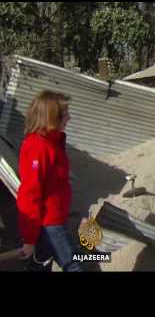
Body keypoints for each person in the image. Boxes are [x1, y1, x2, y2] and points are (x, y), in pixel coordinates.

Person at [16, 90, 83, 272]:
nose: (69, 118)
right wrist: (29, 239)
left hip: (56, 223)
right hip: (49, 226)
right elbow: (30, 193)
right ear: (52, 116)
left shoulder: (52, 144)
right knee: (75, 265)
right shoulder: (37, 147)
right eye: (66, 114)